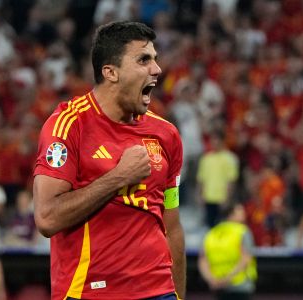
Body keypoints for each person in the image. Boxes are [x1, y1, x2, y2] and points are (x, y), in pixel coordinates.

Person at [33, 21, 186, 300]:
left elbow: (172, 225)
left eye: (155, 59)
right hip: (90, 292)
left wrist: (177, 295)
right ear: (111, 72)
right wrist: (119, 177)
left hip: (159, 291)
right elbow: (47, 217)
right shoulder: (68, 126)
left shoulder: (166, 134)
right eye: (143, 59)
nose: (157, 69)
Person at [198, 202, 257, 300]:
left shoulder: (211, 233)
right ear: (230, 214)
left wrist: (211, 279)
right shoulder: (242, 231)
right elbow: (246, 259)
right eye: (240, 211)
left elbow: (203, 261)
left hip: (217, 286)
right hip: (240, 285)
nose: (244, 214)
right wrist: (227, 279)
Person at [197, 130, 239, 228]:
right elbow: (201, 179)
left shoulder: (230, 158)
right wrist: (200, 195)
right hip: (208, 198)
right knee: (210, 226)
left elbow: (231, 180)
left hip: (222, 198)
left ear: (222, 141)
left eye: (216, 140)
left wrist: (228, 198)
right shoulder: (206, 159)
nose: (214, 142)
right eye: (212, 140)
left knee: (223, 226)